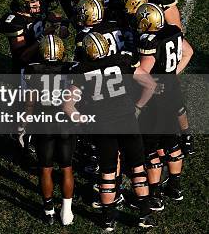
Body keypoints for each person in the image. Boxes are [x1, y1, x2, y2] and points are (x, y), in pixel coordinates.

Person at [64, 32, 158, 230]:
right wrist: (138, 107)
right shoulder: (121, 60)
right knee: (137, 169)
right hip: (126, 120)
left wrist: (84, 121)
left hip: (102, 125)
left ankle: (107, 219)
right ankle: (144, 215)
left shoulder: (81, 70)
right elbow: (149, 85)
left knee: (107, 171)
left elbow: (67, 106)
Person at [123, 0, 194, 156]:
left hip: (157, 49)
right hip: (146, 48)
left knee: (169, 103)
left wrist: (170, 71)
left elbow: (176, 33)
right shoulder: (130, 2)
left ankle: (184, 135)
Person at [135, 3, 194, 207]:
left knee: (151, 147)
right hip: (172, 90)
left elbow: (144, 72)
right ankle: (175, 186)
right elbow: (189, 52)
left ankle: (155, 194)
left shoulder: (149, 40)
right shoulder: (174, 31)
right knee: (171, 141)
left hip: (156, 98)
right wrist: (172, 74)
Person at [22, 35, 75, 226]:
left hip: (43, 122)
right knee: (67, 168)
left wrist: (24, 124)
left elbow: (29, 102)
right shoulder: (71, 69)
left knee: (46, 168)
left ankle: (49, 210)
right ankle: (66, 212)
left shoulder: (32, 70)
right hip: (65, 123)